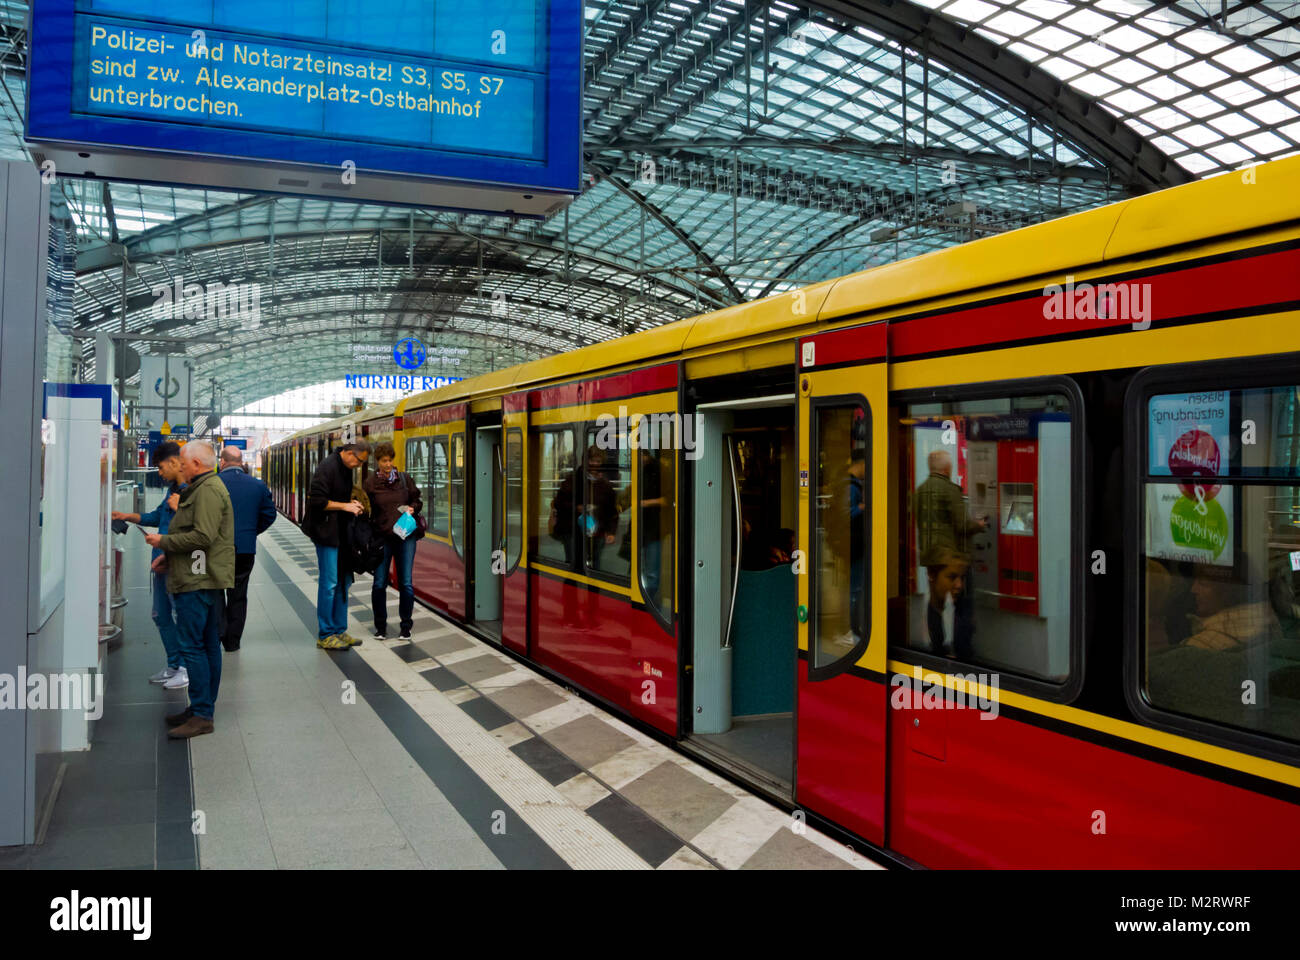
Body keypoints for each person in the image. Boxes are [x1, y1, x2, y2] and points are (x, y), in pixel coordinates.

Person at [143, 441, 235, 740]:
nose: (180, 466)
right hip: (200, 576)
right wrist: (169, 559)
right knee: (206, 645)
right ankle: (200, 709)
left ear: (196, 464)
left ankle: (202, 714)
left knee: (194, 647)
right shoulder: (203, 488)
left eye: (183, 462)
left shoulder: (206, 490)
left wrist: (163, 543)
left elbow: (202, 536)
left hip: (198, 581)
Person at [113, 441, 188, 689]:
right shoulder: (171, 491)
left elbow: (197, 531)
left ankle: (186, 669)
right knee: (161, 615)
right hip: (160, 563)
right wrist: (127, 516)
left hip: (176, 564)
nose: (159, 472)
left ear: (175, 462)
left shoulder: (191, 492)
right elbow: (157, 516)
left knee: (180, 615)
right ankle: (174, 664)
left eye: (160, 466)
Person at [914, 447, 987, 656]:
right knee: (962, 602)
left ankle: (937, 646)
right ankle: (963, 649)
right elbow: (961, 524)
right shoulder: (950, 490)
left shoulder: (920, 490)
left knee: (936, 603)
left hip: (931, 558)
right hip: (952, 559)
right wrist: (979, 525)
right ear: (947, 468)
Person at [307, 439, 371, 649]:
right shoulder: (327, 467)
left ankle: (339, 629)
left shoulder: (344, 468)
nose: (359, 466)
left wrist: (351, 504)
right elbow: (317, 501)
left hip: (342, 533)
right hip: (326, 534)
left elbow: (339, 498)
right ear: (350, 453)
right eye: (359, 461)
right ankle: (325, 634)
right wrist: (345, 506)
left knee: (344, 581)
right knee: (330, 583)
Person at [216, 446, 276, 652]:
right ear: (241, 462)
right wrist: (251, 531)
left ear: (221, 462)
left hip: (216, 550)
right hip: (244, 548)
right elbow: (270, 515)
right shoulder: (258, 485)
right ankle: (232, 642)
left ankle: (218, 633)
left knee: (215, 591)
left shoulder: (211, 483)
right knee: (238, 594)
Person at [362, 442, 423, 640]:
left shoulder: (405, 480)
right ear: (377, 462)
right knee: (379, 582)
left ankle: (406, 626)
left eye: (390, 460)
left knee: (406, 582)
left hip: (405, 537)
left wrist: (413, 508)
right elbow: (366, 510)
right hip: (382, 538)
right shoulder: (370, 484)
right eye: (383, 461)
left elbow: (418, 500)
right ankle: (381, 627)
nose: (387, 464)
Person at [923, 547, 970, 657]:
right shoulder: (916, 616)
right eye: (951, 577)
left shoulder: (961, 614)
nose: (959, 585)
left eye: (962, 578)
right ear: (931, 574)